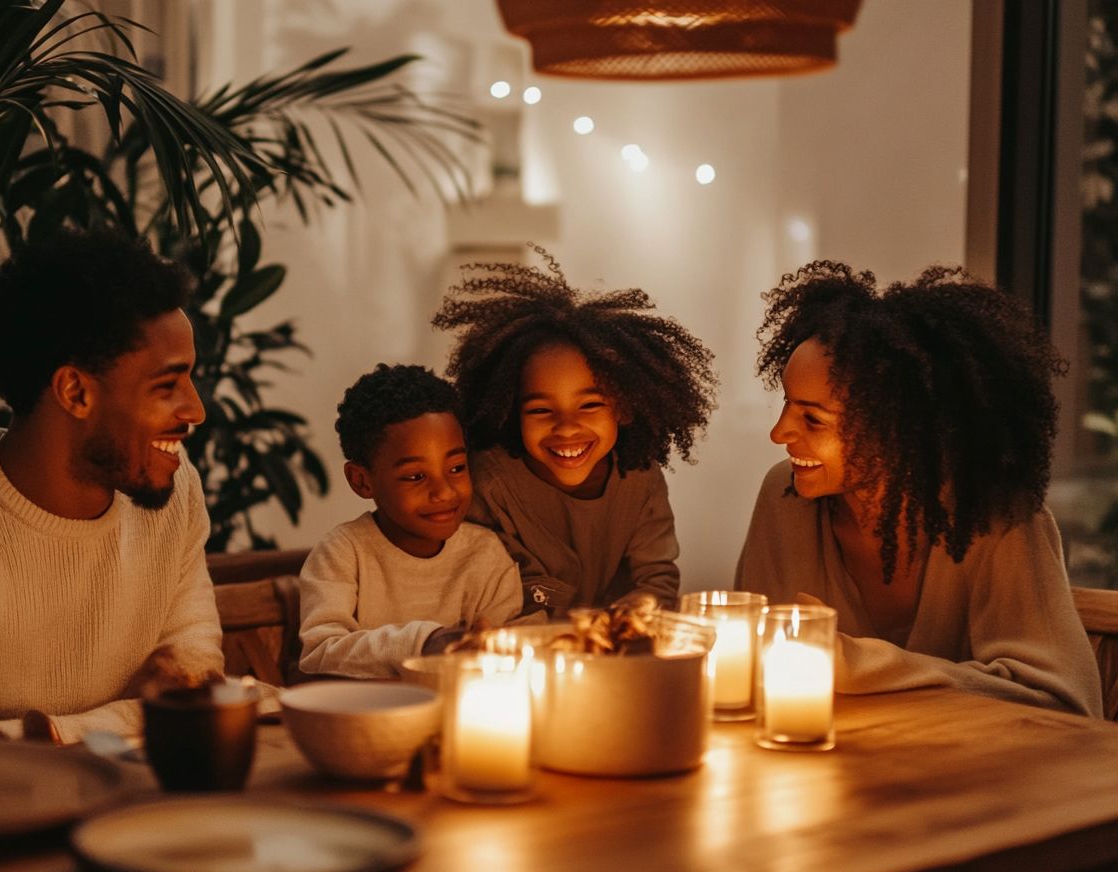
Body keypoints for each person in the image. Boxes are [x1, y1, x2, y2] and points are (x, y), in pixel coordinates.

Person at [0, 227, 224, 745]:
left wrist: (36, 735)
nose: (195, 411)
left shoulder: (175, 492)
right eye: (166, 386)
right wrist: (129, 719)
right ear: (74, 391)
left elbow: (193, 684)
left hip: (140, 811)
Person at [735, 261, 1103, 717]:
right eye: (787, 405)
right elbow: (753, 673)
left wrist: (863, 665)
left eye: (813, 418)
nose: (779, 433)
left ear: (898, 429)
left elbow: (1066, 704)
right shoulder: (784, 497)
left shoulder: (996, 514)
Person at [432, 247, 718, 615]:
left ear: (625, 405)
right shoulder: (489, 485)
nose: (566, 427)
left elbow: (656, 580)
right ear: (507, 411)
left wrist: (637, 609)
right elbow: (490, 599)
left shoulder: (640, 478)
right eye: (539, 409)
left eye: (590, 405)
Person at [298, 364, 532, 678]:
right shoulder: (342, 553)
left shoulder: (486, 555)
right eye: (415, 476)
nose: (444, 491)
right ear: (362, 481)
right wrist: (424, 643)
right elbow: (319, 653)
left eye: (457, 468)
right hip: (369, 720)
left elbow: (508, 652)